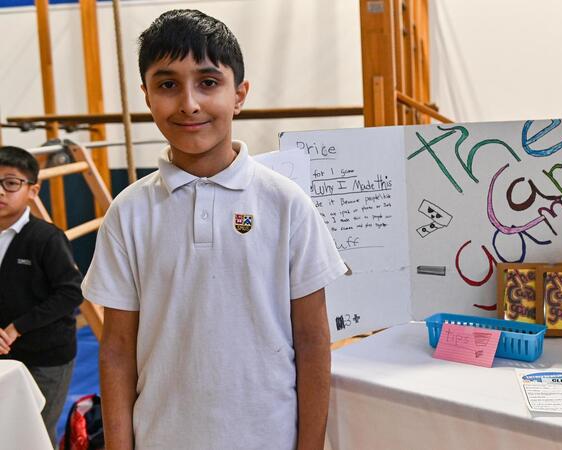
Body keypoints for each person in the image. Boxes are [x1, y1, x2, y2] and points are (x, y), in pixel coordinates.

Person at [81, 9, 346, 450]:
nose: (189, 103)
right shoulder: (128, 212)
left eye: (208, 82)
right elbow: (117, 350)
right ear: (147, 96)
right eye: (168, 85)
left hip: (269, 439)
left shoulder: (286, 203)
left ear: (239, 95)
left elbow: (314, 341)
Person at [0, 145, 84, 446]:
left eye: (11, 183)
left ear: (33, 190)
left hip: (45, 357)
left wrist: (16, 328)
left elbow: (71, 292)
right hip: (5, 354)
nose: (1, 191)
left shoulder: (46, 238)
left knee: (35, 432)